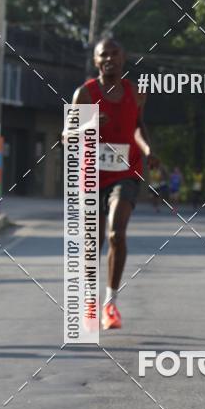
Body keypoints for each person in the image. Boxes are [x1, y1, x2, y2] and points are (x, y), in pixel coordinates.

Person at [72, 37, 153, 330]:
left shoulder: (136, 92)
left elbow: (138, 127)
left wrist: (148, 150)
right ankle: (91, 302)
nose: (109, 59)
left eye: (114, 54)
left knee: (116, 233)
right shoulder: (85, 93)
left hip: (126, 172)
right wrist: (87, 125)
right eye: (103, 55)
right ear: (96, 61)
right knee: (93, 241)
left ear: (123, 58)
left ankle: (110, 303)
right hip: (92, 175)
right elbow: (66, 136)